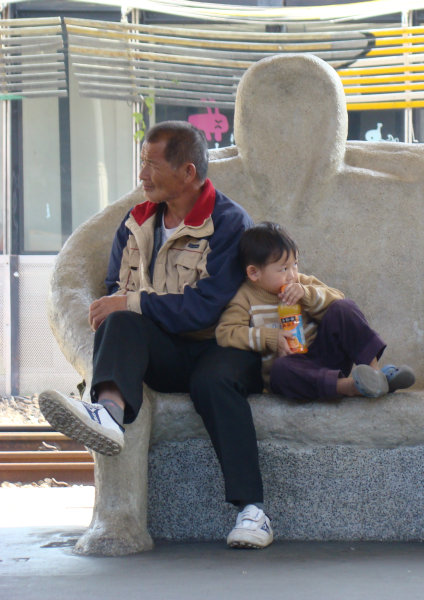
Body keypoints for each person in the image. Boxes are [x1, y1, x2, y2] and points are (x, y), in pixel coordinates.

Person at [39, 121, 271, 550]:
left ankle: (252, 512)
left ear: (187, 172)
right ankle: (107, 413)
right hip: (167, 349)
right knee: (120, 320)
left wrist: (132, 304)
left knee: (211, 381)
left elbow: (205, 307)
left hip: (222, 345)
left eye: (150, 165)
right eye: (141, 163)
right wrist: (122, 308)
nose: (141, 175)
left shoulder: (229, 223)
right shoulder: (136, 222)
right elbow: (115, 289)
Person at [215, 221, 415, 401]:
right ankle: (350, 387)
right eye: (283, 269)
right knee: (281, 371)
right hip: (295, 369)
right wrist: (270, 338)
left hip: (325, 357)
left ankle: (375, 374)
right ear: (254, 272)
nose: (292, 274)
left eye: (295, 264)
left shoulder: (301, 283)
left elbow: (339, 299)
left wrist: (307, 295)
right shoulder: (245, 297)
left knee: (343, 308)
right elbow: (226, 333)